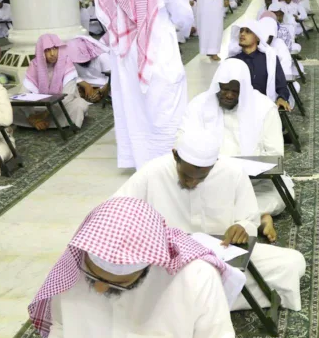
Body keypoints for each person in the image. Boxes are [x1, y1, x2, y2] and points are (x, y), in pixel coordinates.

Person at [29, 197, 243, 338]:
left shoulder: (196, 278)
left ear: (149, 266)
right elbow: (61, 327)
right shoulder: (73, 267)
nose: (100, 288)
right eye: (93, 277)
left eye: (118, 284)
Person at [121, 127, 306, 311]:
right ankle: (212, 299)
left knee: (292, 263)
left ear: (214, 163)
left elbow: (249, 219)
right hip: (170, 262)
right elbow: (117, 211)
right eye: (186, 176)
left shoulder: (233, 171)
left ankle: (188, 302)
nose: (192, 182)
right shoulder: (151, 172)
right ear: (175, 155)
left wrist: (241, 227)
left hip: (223, 255)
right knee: (128, 278)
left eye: (201, 177)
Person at [96, 0, 195, 169]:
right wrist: (182, 27)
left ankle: (138, 159)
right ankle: (164, 158)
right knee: (164, 102)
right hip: (156, 47)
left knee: (132, 104)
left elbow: (101, 10)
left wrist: (120, 29)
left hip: (124, 50)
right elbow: (180, 12)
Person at [179, 59, 293, 240]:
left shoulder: (264, 107)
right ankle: (259, 218)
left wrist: (243, 169)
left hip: (253, 182)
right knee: (182, 194)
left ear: (245, 89)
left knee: (279, 195)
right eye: (224, 89)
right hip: (208, 179)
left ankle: (238, 218)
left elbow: (274, 155)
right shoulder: (199, 105)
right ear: (217, 85)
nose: (229, 95)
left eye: (235, 91)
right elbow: (183, 140)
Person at [15, 34, 90, 130]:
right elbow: (23, 94)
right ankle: (36, 121)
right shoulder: (34, 65)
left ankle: (40, 121)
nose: (52, 53)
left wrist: (45, 114)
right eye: (47, 50)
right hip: (40, 107)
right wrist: (30, 114)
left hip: (61, 106)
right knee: (13, 107)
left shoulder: (67, 63)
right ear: (41, 52)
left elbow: (68, 96)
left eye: (55, 49)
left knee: (80, 104)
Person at [231, 20, 292, 111]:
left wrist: (281, 98)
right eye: (241, 31)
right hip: (238, 109)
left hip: (264, 109)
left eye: (248, 31)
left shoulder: (270, 59)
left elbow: (282, 87)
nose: (242, 34)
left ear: (258, 37)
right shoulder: (232, 61)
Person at [66, 36, 111, 104]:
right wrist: (86, 85)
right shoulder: (71, 57)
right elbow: (69, 74)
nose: (82, 62)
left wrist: (101, 91)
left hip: (105, 85)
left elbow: (115, 78)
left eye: (84, 60)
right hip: (83, 84)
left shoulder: (103, 56)